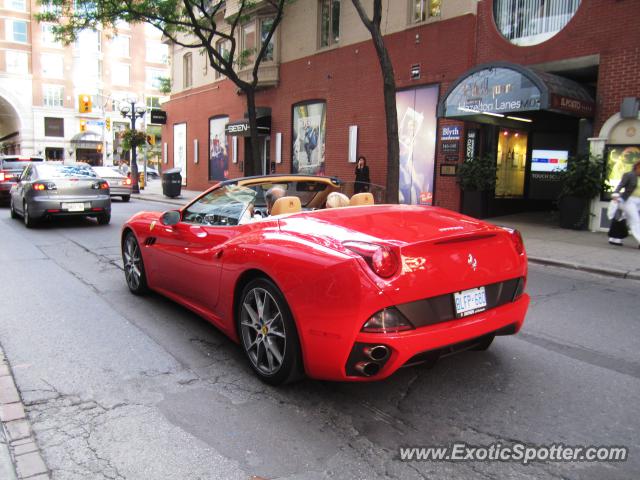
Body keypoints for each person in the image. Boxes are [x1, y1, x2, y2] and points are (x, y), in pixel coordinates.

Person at [613, 160, 640, 248]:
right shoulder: (629, 175)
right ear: (637, 167)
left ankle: (614, 237)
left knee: (620, 218)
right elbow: (620, 185)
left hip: (639, 202)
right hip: (629, 200)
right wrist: (615, 194)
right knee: (635, 220)